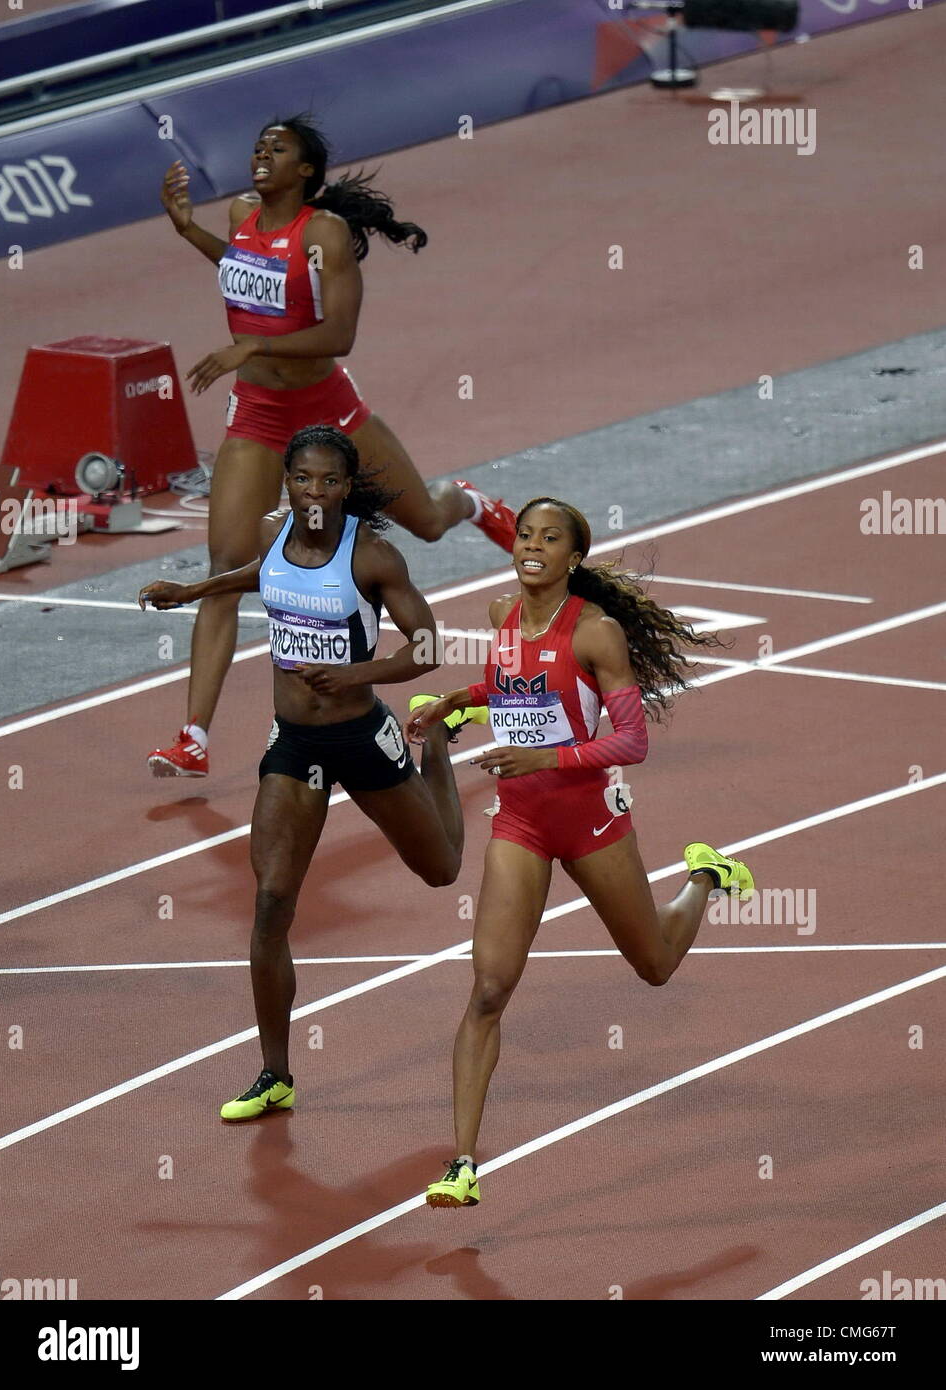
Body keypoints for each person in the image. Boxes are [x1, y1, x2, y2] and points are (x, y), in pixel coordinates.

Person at [404, 497, 754, 1207]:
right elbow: (510, 685)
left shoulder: (597, 635)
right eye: (526, 533)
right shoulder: (501, 610)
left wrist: (545, 758)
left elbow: (631, 742)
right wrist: (457, 701)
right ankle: (462, 1163)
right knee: (489, 990)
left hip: (591, 819)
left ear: (574, 556)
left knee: (654, 966)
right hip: (522, 826)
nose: (532, 545)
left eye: (549, 537)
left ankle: (705, 877)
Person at [149, 113, 515, 776]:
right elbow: (246, 265)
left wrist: (253, 342)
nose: (261, 153)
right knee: (228, 565)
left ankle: (465, 500)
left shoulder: (325, 234)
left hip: (329, 411)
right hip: (259, 414)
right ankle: (193, 737)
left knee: (426, 524)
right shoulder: (237, 214)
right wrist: (189, 230)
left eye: (277, 148)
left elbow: (338, 334)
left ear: (307, 171)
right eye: (257, 144)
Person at [139, 426, 487, 1120]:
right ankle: (275, 1074)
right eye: (304, 479)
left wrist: (357, 674)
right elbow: (261, 576)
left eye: (330, 481)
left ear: (348, 487)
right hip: (295, 743)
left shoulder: (372, 557)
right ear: (287, 483)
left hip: (361, 736)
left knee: (442, 870)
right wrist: (192, 589)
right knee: (270, 903)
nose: (316, 493)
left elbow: (428, 645)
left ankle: (439, 743)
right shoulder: (276, 534)